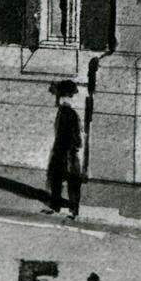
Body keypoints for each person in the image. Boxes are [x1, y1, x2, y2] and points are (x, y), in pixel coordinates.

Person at [46, 80, 84, 219]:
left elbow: (72, 136)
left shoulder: (67, 112)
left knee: (61, 179)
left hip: (64, 151)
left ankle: (68, 209)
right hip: (66, 151)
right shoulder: (67, 112)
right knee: (66, 180)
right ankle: (71, 209)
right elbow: (77, 137)